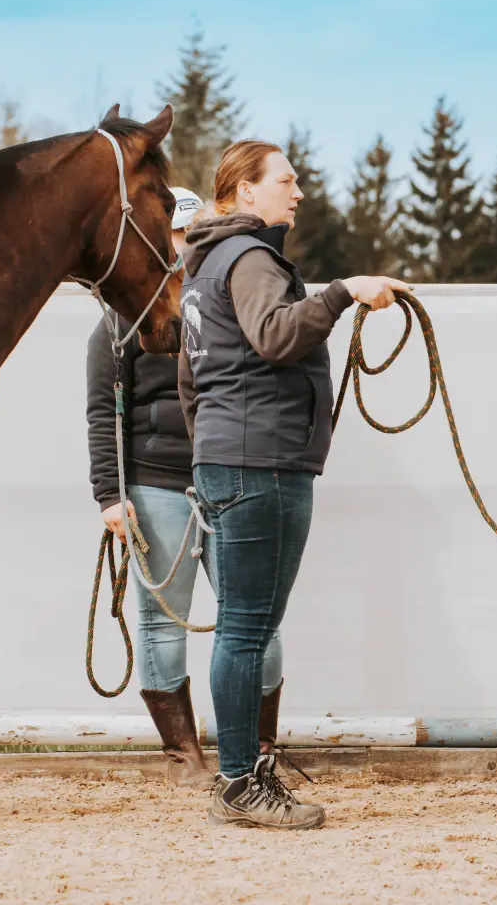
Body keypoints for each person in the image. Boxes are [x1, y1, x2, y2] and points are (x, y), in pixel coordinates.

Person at [179, 139, 407, 829]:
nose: (298, 190)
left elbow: (191, 383)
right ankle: (241, 782)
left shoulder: (206, 264)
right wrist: (343, 293)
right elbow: (277, 336)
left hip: (235, 458)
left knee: (244, 629)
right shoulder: (249, 258)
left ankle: (243, 774)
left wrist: (213, 447)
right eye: (286, 179)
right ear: (245, 192)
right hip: (262, 464)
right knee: (248, 630)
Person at [86, 185, 284, 790]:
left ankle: (257, 748)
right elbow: (103, 411)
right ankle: (183, 756)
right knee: (162, 621)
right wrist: (109, 495)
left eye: (191, 231)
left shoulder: (230, 295)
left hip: (227, 475)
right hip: (156, 483)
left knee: (256, 621)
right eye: (174, 233)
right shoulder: (120, 322)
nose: (184, 244)